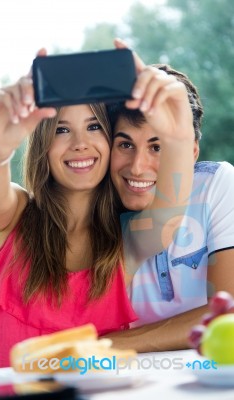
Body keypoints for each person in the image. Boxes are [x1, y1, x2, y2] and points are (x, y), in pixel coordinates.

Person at [0, 47, 195, 369]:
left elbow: (170, 209)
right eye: (62, 129)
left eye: (93, 127)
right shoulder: (14, 213)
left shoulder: (129, 241)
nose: (80, 143)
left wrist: (179, 136)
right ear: (42, 145)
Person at [104, 40, 234, 352]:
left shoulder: (217, 184)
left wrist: (105, 344)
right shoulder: (97, 210)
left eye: (157, 146)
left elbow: (227, 313)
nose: (137, 166)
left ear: (189, 152)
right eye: (125, 144)